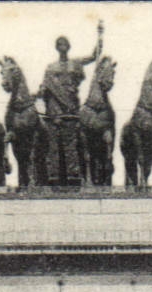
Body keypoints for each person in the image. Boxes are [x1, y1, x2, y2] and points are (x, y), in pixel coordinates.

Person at [38, 21, 104, 184]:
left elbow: (93, 56)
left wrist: (100, 37)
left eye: (65, 44)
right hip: (54, 112)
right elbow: (44, 87)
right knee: (53, 146)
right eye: (60, 44)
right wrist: (40, 93)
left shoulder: (75, 63)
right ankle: (53, 176)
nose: (63, 46)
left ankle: (73, 177)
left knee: (71, 146)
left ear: (69, 46)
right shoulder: (50, 67)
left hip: (71, 109)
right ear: (56, 47)